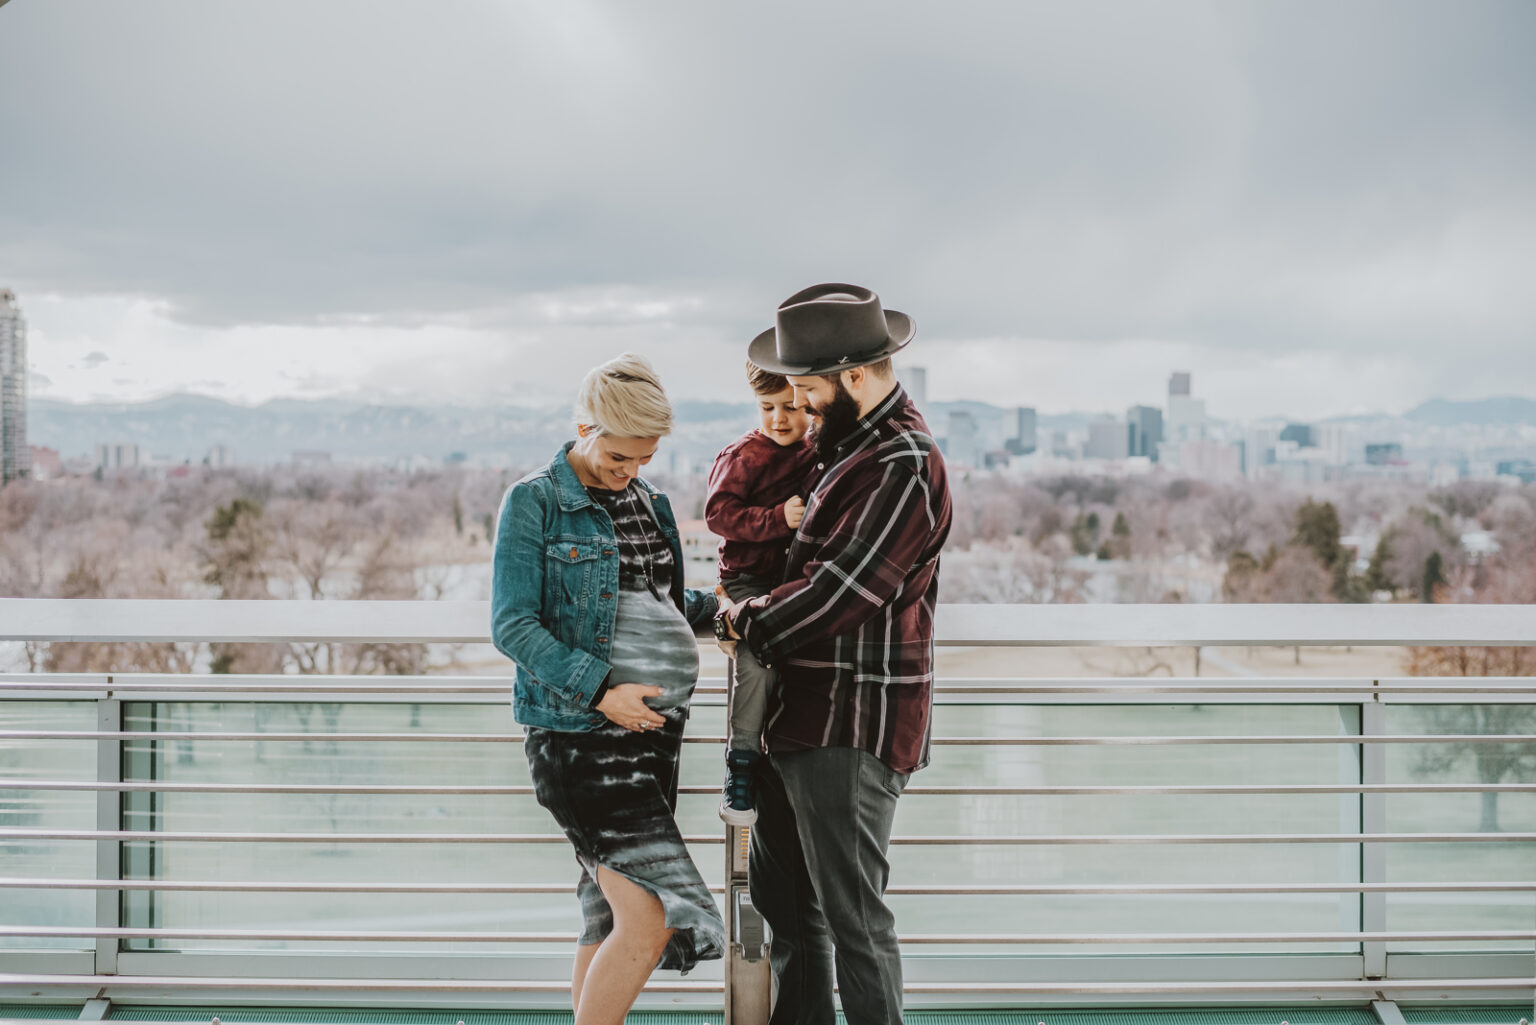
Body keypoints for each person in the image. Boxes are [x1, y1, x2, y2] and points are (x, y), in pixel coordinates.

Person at [716, 283, 953, 1025]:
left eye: (809, 388)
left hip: (850, 723)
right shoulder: (843, 447)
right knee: (791, 914)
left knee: (854, 922)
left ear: (853, 375)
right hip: (799, 717)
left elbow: (837, 594)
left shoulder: (900, 463)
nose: (800, 404)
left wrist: (735, 617)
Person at [491, 353, 725, 1025]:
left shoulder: (650, 502)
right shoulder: (535, 500)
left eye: (645, 457)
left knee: (607, 911)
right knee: (651, 915)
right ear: (583, 428)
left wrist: (725, 612)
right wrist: (602, 692)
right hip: (581, 740)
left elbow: (661, 600)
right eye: (619, 456)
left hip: (652, 738)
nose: (630, 471)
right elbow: (513, 624)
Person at [704, 360, 817, 824]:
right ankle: (742, 763)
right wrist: (777, 518)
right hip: (748, 580)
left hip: (794, 581)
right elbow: (718, 515)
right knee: (755, 661)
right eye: (768, 407)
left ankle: (791, 766)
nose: (779, 418)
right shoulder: (743, 455)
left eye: (791, 407)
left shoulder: (818, 453)